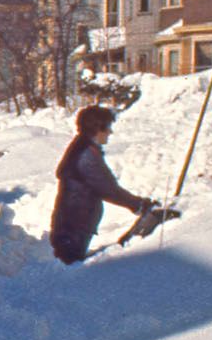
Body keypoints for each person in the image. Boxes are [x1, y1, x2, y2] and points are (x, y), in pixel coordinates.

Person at [50, 104, 171, 265]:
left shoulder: (83, 147)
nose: (110, 132)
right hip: (73, 227)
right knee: (72, 272)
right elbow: (108, 190)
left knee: (71, 269)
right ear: (97, 128)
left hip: (72, 224)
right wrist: (140, 205)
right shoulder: (86, 155)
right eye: (107, 128)